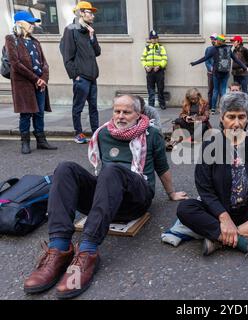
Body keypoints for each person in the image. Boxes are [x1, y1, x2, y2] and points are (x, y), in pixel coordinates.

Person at [23, 95, 188, 299]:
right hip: (109, 196)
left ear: (138, 114)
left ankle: (88, 251)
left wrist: (171, 193)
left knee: (112, 171)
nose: (120, 116)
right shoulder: (103, 133)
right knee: (66, 168)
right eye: (117, 111)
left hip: (136, 198)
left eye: (126, 112)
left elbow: (162, 168)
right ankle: (59, 248)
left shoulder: (152, 134)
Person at [177, 92, 248, 261]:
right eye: (231, 117)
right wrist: (224, 219)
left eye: (242, 117)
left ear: (247, 118)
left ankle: (219, 239)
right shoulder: (210, 146)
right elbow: (205, 188)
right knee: (185, 209)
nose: (236, 123)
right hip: (219, 212)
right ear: (222, 118)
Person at [6, 11, 57, 154]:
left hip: (39, 84)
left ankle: (41, 141)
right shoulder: (11, 39)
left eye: (33, 23)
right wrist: (36, 79)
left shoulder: (35, 41)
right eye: (30, 23)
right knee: (26, 114)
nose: (33, 26)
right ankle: (25, 142)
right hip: (24, 85)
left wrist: (43, 79)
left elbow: (44, 63)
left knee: (39, 113)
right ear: (19, 23)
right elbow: (15, 64)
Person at [60, 1, 101, 144]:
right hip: (81, 77)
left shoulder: (90, 30)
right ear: (81, 13)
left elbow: (97, 52)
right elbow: (67, 56)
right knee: (78, 107)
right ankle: (78, 133)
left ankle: (96, 133)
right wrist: (75, 75)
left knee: (94, 107)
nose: (92, 16)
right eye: (90, 12)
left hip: (92, 76)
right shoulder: (71, 29)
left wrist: (92, 37)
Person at [190, 34, 248, 114]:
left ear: (218, 41)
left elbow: (205, 58)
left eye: (216, 40)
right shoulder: (228, 49)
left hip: (216, 73)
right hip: (225, 73)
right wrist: (245, 67)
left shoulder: (213, 49)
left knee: (215, 90)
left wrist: (194, 63)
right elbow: (236, 60)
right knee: (223, 90)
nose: (214, 41)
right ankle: (223, 108)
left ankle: (213, 109)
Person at [141, 30, 167, 110]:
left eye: (156, 38)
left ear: (158, 39)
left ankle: (162, 103)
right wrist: (146, 67)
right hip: (150, 71)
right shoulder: (147, 48)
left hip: (159, 71)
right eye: (152, 38)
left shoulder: (161, 47)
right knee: (150, 89)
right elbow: (143, 58)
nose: (154, 40)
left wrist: (159, 66)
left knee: (160, 88)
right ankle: (151, 105)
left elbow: (164, 59)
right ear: (150, 39)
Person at [205, 34, 217, 106]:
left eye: (214, 39)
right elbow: (206, 61)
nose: (212, 40)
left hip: (219, 73)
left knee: (218, 90)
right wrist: (210, 68)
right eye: (212, 39)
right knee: (210, 90)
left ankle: (218, 106)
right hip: (210, 73)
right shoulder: (208, 49)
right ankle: (210, 105)